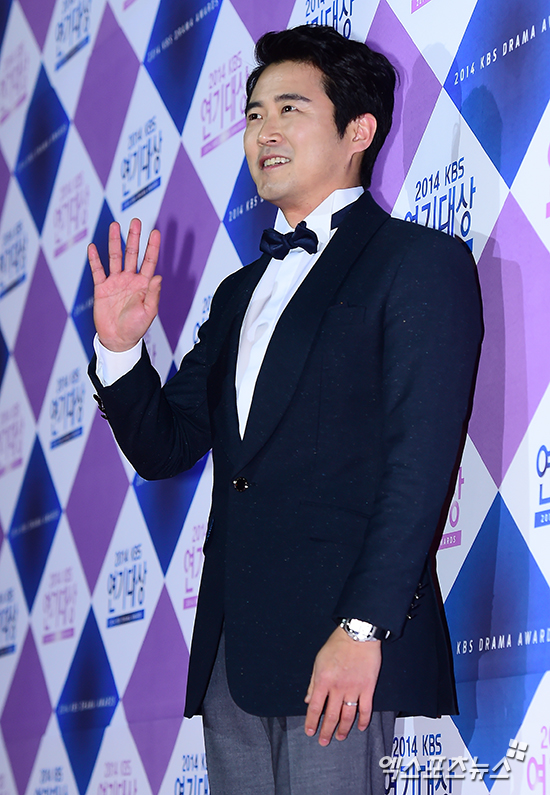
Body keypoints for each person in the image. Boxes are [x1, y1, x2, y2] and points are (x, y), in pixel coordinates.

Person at [88, 25, 482, 795]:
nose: (264, 131)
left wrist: (363, 626)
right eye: (253, 114)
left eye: (290, 109)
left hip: (342, 639)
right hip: (234, 651)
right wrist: (120, 352)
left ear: (359, 130)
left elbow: (420, 462)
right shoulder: (238, 294)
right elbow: (166, 446)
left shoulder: (415, 262)